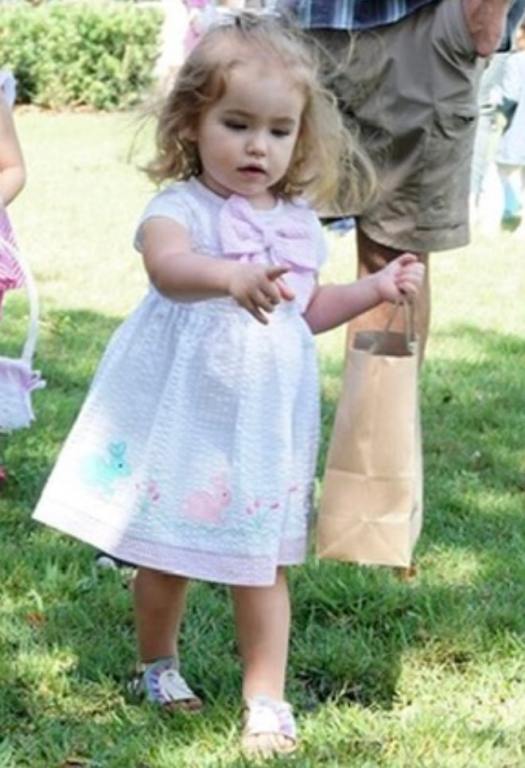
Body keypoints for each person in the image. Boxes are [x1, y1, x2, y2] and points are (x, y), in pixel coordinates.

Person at [32, 14, 424, 757]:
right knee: (165, 556)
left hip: (262, 428)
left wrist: (372, 284)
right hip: (184, 417)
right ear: (190, 123)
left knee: (262, 561)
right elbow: (167, 270)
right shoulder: (178, 210)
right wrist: (229, 275)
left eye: (278, 131)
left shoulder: (300, 225)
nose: (257, 146)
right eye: (236, 123)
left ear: (300, 138)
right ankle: (158, 663)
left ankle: (265, 699)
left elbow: (306, 311)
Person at [275, 0, 525, 359]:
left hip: (416, 25)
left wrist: (484, 12)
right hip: (293, 23)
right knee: (250, 238)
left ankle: (378, 416)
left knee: (392, 266)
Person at [493, 22, 525, 233]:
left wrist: (498, 112)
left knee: (504, 173)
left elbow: (510, 96)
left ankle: (507, 210)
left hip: (518, 131)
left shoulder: (517, 61)